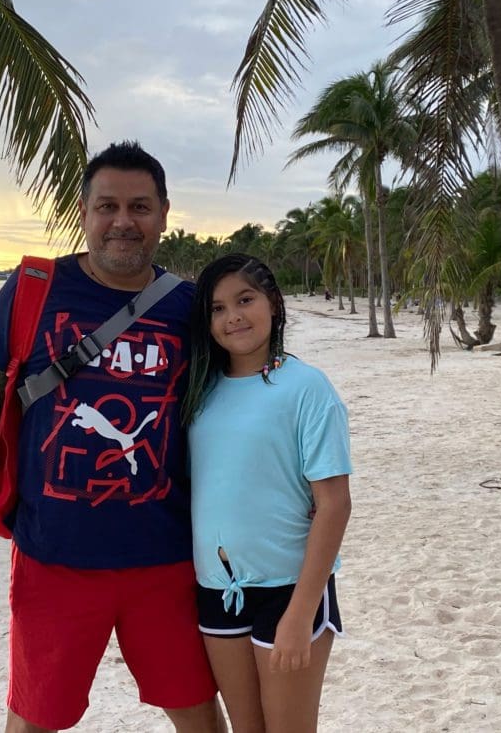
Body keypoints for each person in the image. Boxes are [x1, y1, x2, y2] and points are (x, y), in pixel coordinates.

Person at [0, 141, 223, 733]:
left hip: (167, 557)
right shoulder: (34, 289)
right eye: (108, 206)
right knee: (36, 718)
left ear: (165, 214)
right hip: (54, 555)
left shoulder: (189, 307)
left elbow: (230, 413)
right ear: (85, 210)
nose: (124, 222)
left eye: (140, 207)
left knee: (198, 713)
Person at [182, 253, 353, 733]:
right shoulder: (201, 389)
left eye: (245, 299)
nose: (233, 316)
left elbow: (335, 504)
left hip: (289, 589)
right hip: (218, 590)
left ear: (274, 304)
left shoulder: (306, 387)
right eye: (217, 308)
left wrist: (300, 614)